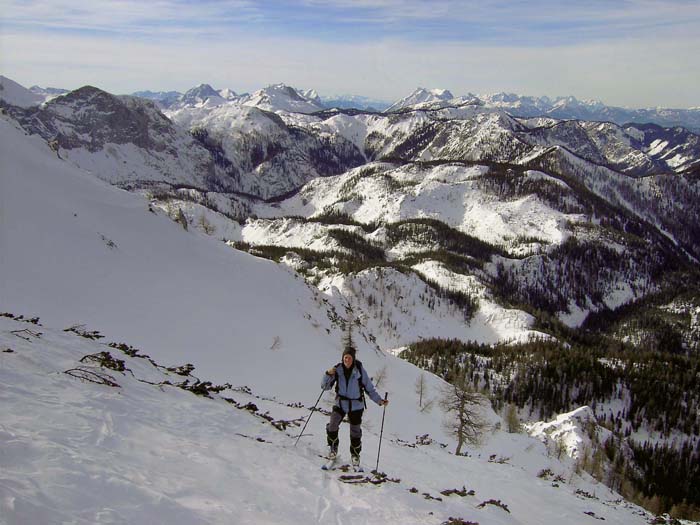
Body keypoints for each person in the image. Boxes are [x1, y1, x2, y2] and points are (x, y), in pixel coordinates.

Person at [321, 346, 388, 466]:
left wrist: (379, 401)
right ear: (343, 358)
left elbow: (369, 389)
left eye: (349, 358)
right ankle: (333, 447)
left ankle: (355, 455)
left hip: (356, 405)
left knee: (355, 431)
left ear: (353, 359)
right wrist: (327, 374)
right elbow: (325, 387)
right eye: (345, 357)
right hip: (340, 403)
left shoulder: (360, 370)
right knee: (332, 425)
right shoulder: (337, 370)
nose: (347, 360)